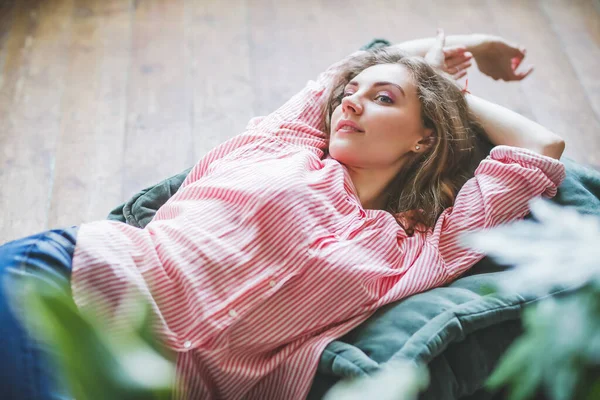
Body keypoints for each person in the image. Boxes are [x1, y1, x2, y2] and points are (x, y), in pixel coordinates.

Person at [0, 30, 566, 399]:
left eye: (383, 98)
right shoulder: (283, 144)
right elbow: (348, 67)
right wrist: (461, 49)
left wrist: (446, 92)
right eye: (352, 92)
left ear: (425, 139)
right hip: (66, 286)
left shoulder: (422, 247)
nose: (350, 100)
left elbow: (540, 148)